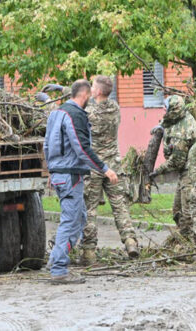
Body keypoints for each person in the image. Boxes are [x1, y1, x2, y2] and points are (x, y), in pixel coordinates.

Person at [44, 79, 119, 284]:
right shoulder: (75, 115)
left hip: (59, 173)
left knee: (80, 218)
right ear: (84, 95)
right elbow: (82, 148)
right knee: (71, 221)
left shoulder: (55, 113)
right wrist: (105, 169)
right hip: (70, 176)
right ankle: (59, 269)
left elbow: (46, 146)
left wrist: (51, 170)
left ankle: (54, 260)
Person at [81, 76, 139, 264]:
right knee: (120, 206)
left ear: (97, 92)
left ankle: (89, 251)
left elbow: (77, 105)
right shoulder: (115, 108)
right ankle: (130, 242)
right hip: (113, 165)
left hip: (95, 166)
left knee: (90, 209)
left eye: (92, 87)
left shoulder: (89, 112)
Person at [150, 95, 196, 240]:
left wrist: (157, 171)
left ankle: (190, 242)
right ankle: (183, 237)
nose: (162, 109)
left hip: (191, 171)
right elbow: (170, 121)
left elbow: (177, 161)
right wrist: (162, 125)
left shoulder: (183, 131)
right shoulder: (178, 116)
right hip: (185, 170)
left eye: (165, 107)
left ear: (172, 109)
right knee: (177, 210)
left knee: (187, 211)